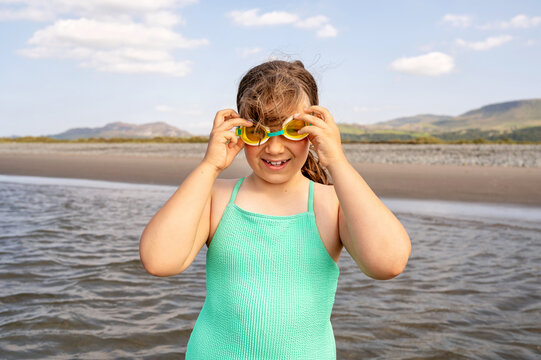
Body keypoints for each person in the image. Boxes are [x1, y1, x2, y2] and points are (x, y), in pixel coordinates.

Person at [139, 59, 411, 359]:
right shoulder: (217, 196)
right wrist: (210, 165)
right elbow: (159, 261)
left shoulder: (331, 203)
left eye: (291, 130)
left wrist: (336, 161)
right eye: (257, 132)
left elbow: (388, 263)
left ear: (314, 128)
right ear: (238, 130)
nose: (275, 147)